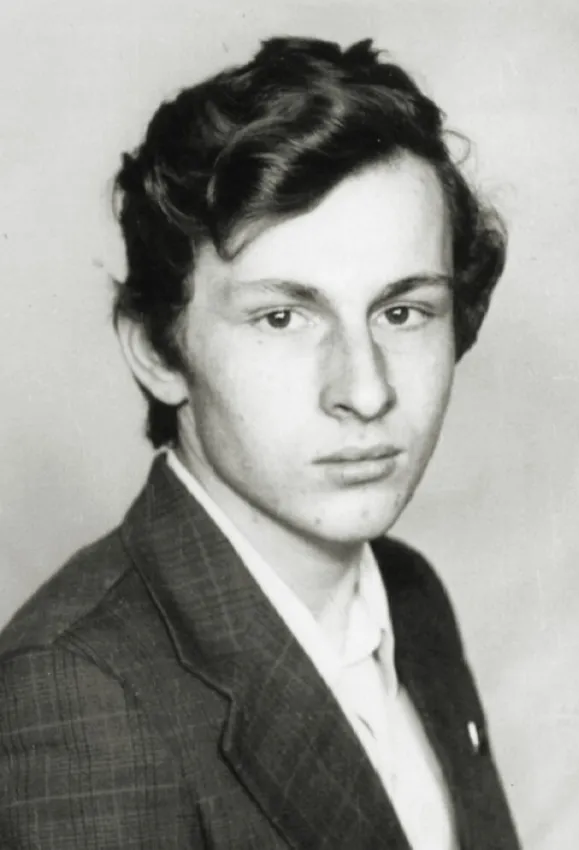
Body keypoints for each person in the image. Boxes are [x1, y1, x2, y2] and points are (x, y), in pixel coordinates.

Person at [0, 36, 521, 849]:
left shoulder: (410, 595)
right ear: (158, 351)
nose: (366, 391)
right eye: (282, 318)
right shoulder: (77, 696)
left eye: (402, 312)